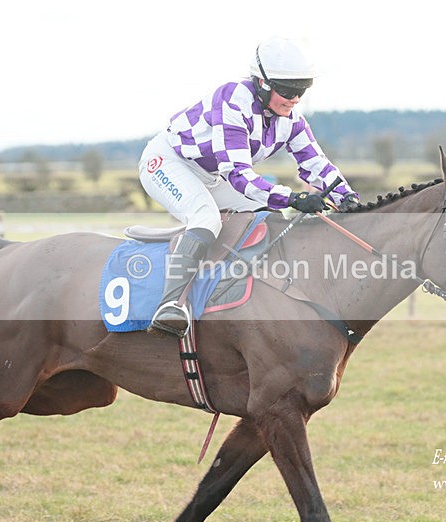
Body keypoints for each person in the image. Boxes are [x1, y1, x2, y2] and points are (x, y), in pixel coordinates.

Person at [139, 36, 360, 337]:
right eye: (288, 90)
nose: (295, 99)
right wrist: (293, 198)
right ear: (262, 82)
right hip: (168, 163)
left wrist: (347, 197)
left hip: (210, 175)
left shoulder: (291, 119)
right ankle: (171, 305)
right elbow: (239, 175)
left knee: (269, 208)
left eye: (301, 90)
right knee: (206, 217)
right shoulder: (232, 98)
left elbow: (316, 164)